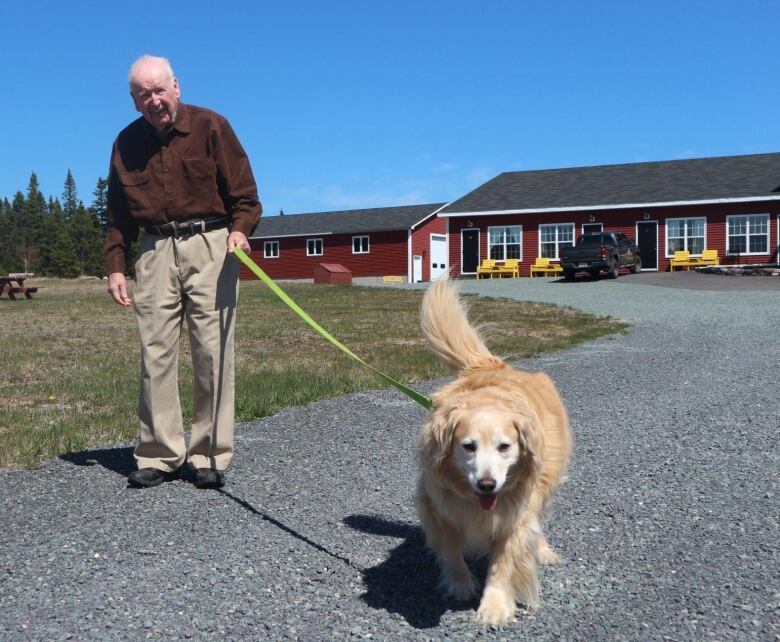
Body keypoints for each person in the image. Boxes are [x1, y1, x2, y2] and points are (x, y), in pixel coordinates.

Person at [104, 55, 261, 489]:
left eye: (159, 90)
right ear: (134, 101)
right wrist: (115, 268)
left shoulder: (212, 126)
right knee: (155, 352)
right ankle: (159, 454)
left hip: (211, 243)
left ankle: (210, 453)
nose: (154, 100)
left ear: (176, 86)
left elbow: (246, 197)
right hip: (153, 249)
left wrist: (240, 232)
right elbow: (117, 214)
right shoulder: (125, 143)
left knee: (212, 351)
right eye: (143, 95)